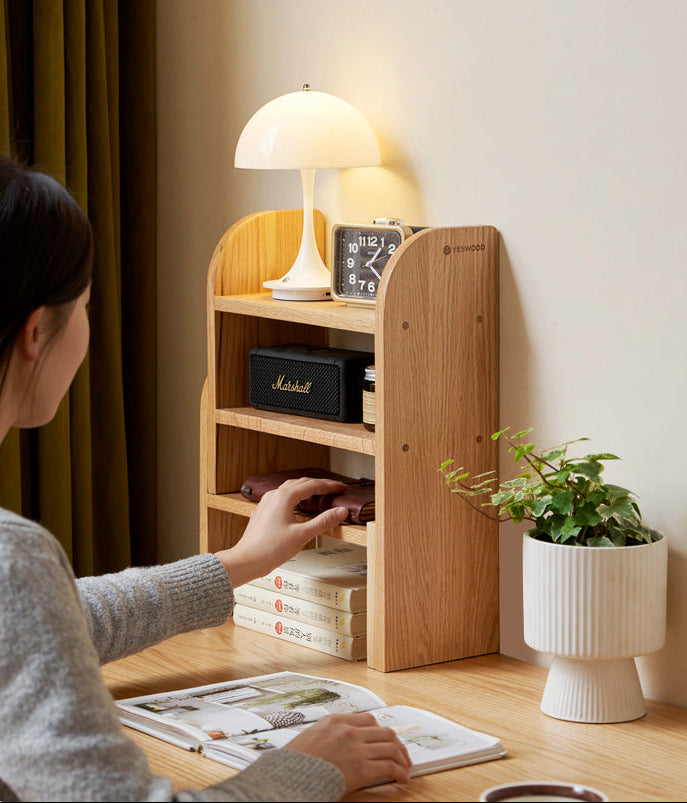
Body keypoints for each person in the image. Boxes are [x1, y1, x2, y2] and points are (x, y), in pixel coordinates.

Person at [0, 154, 412, 802]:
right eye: (83, 304)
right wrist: (308, 765)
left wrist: (237, 561)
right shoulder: (12, 558)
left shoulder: (14, 574)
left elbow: (49, 621)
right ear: (34, 331)